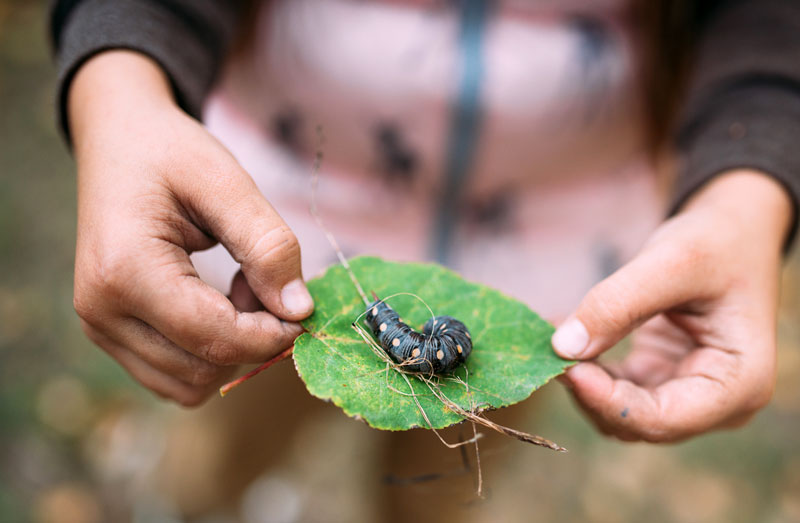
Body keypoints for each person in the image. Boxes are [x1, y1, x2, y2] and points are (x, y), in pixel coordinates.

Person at [52, 0, 799, 450]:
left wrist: (748, 189)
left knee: (448, 474)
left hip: (552, 268)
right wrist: (117, 81)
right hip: (288, 241)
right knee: (241, 430)